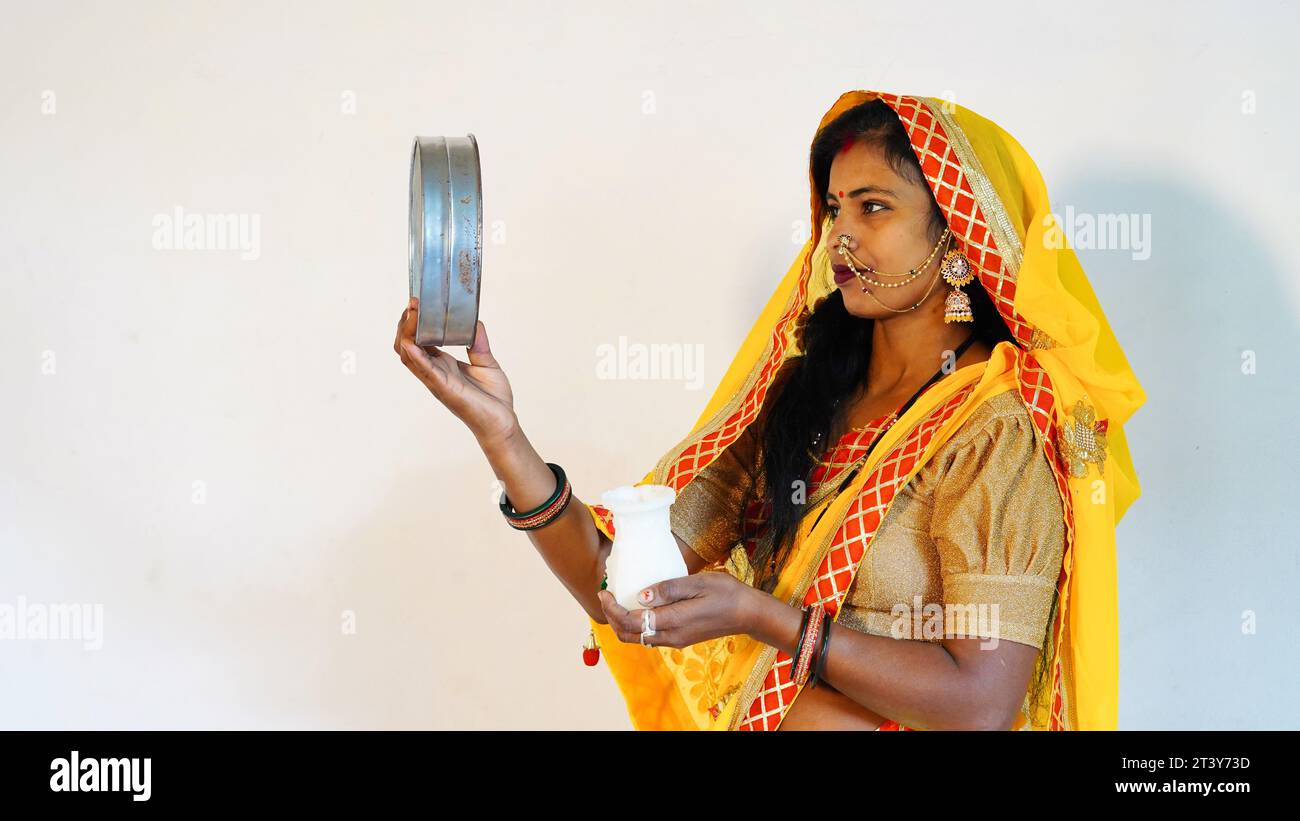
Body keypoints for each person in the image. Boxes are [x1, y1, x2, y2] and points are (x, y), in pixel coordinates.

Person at [393, 89, 1146, 731]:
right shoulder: (803, 396)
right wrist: (500, 432)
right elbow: (613, 579)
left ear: (955, 233)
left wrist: (764, 616)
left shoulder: (996, 424)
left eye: (873, 206)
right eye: (833, 207)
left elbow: (981, 700)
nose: (840, 232)